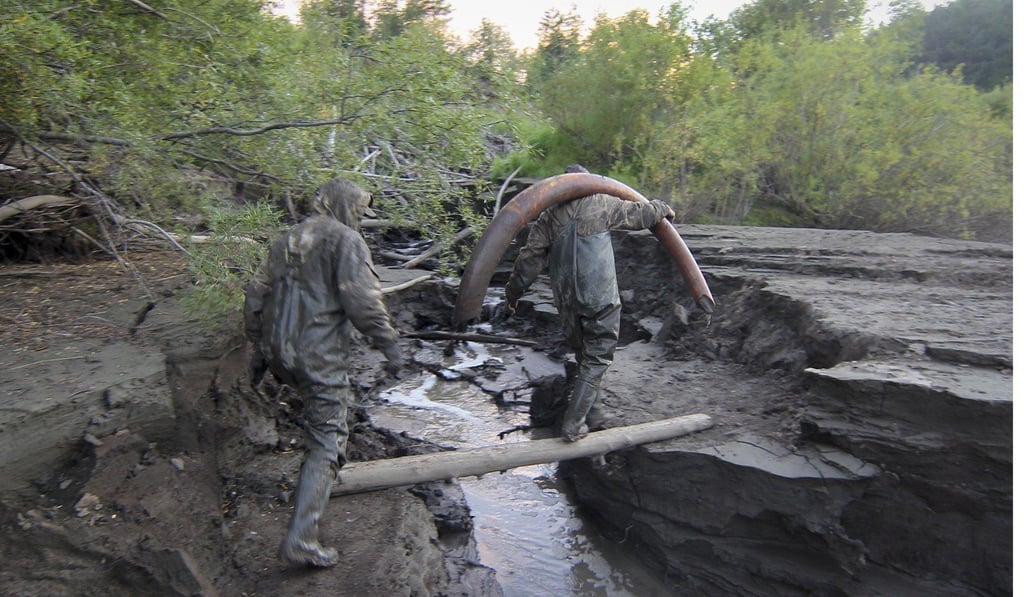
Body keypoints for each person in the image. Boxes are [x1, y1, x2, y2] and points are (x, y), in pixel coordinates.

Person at [243, 177, 404, 567]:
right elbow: (362, 301)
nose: (362, 221)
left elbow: (256, 295)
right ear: (345, 205)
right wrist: (390, 343)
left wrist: (260, 350)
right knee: (328, 437)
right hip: (318, 356)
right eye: (360, 212)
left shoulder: (286, 240)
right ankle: (302, 538)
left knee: (319, 428)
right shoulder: (345, 241)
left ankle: (314, 486)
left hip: (282, 352)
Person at [503, 165, 675, 442]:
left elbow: (528, 261)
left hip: (567, 303)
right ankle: (573, 426)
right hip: (600, 299)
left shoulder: (548, 219)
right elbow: (641, 214)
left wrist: (513, 295)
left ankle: (593, 413)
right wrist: (662, 207)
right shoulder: (600, 204)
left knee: (586, 356)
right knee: (597, 359)